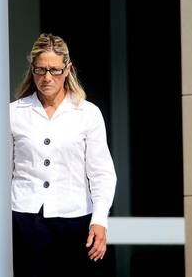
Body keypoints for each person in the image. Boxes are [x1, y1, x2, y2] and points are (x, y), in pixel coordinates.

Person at [9, 33, 117, 276]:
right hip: (25, 220)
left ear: (67, 69)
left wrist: (100, 219)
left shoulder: (88, 113)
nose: (47, 77)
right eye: (40, 70)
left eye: (54, 70)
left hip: (75, 219)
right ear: (32, 69)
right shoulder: (14, 113)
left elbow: (102, 173)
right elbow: (2, 172)